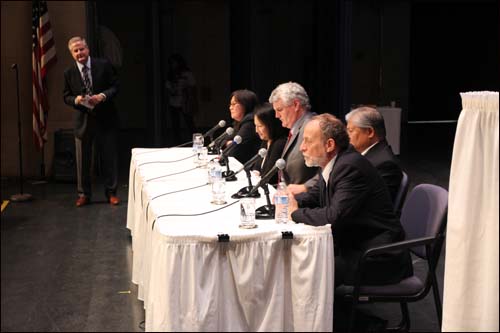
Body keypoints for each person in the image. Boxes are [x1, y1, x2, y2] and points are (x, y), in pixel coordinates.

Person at [288, 113, 413, 286]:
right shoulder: (332, 162)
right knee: (300, 259)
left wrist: (295, 213)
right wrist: (289, 201)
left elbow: (333, 217)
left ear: (329, 145)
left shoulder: (349, 167)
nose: (302, 147)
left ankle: (320, 313)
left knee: (306, 268)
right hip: (353, 245)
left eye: (308, 141)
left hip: (377, 256)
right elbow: (314, 196)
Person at [63, 36, 120, 207]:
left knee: (109, 158)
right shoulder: (69, 72)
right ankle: (84, 195)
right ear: (72, 54)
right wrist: (76, 100)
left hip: (105, 119)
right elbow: (65, 96)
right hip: (83, 122)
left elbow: (115, 87)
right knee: (83, 161)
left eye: (82, 49)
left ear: (87, 49)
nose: (79, 53)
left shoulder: (103, 65)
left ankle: (111, 193)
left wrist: (102, 96)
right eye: (76, 50)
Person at [345, 106, 403, 203]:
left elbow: (363, 202)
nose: (347, 135)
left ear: (370, 132)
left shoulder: (384, 164)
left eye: (351, 131)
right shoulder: (361, 154)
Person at [268, 82, 318, 185]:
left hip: (305, 198)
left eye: (280, 110)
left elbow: (328, 169)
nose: (277, 116)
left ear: (296, 105)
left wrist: (305, 187)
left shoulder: (313, 127)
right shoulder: (296, 128)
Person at [251, 103, 289, 186]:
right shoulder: (266, 140)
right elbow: (257, 166)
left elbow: (270, 177)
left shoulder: (280, 143)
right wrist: (256, 172)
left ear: (271, 125)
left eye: (260, 126)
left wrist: (258, 176)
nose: (256, 131)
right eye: (255, 126)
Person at [165, 53, 198, 145]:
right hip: (173, 102)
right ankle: (177, 142)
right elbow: (167, 88)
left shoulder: (187, 74)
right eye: (171, 63)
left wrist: (192, 100)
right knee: (175, 124)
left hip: (185, 102)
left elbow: (193, 87)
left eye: (175, 62)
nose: (173, 65)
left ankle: (195, 142)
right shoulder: (170, 75)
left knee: (189, 123)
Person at [226, 89, 262, 164]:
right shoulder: (239, 122)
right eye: (230, 104)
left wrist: (230, 143)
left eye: (234, 104)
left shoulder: (250, 123)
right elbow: (224, 141)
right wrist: (229, 142)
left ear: (245, 104)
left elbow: (232, 151)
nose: (230, 108)